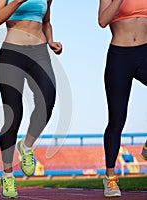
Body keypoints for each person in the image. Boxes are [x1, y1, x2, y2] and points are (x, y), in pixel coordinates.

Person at [0, 0, 62, 198]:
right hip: (12, 52)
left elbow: (46, 21)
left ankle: (27, 145)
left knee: (48, 99)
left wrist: (51, 41)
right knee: (13, 114)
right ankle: (8, 175)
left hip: (39, 51)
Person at [98, 0, 147, 197]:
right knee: (117, 120)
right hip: (120, 56)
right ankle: (110, 178)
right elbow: (102, 21)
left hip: (145, 52)